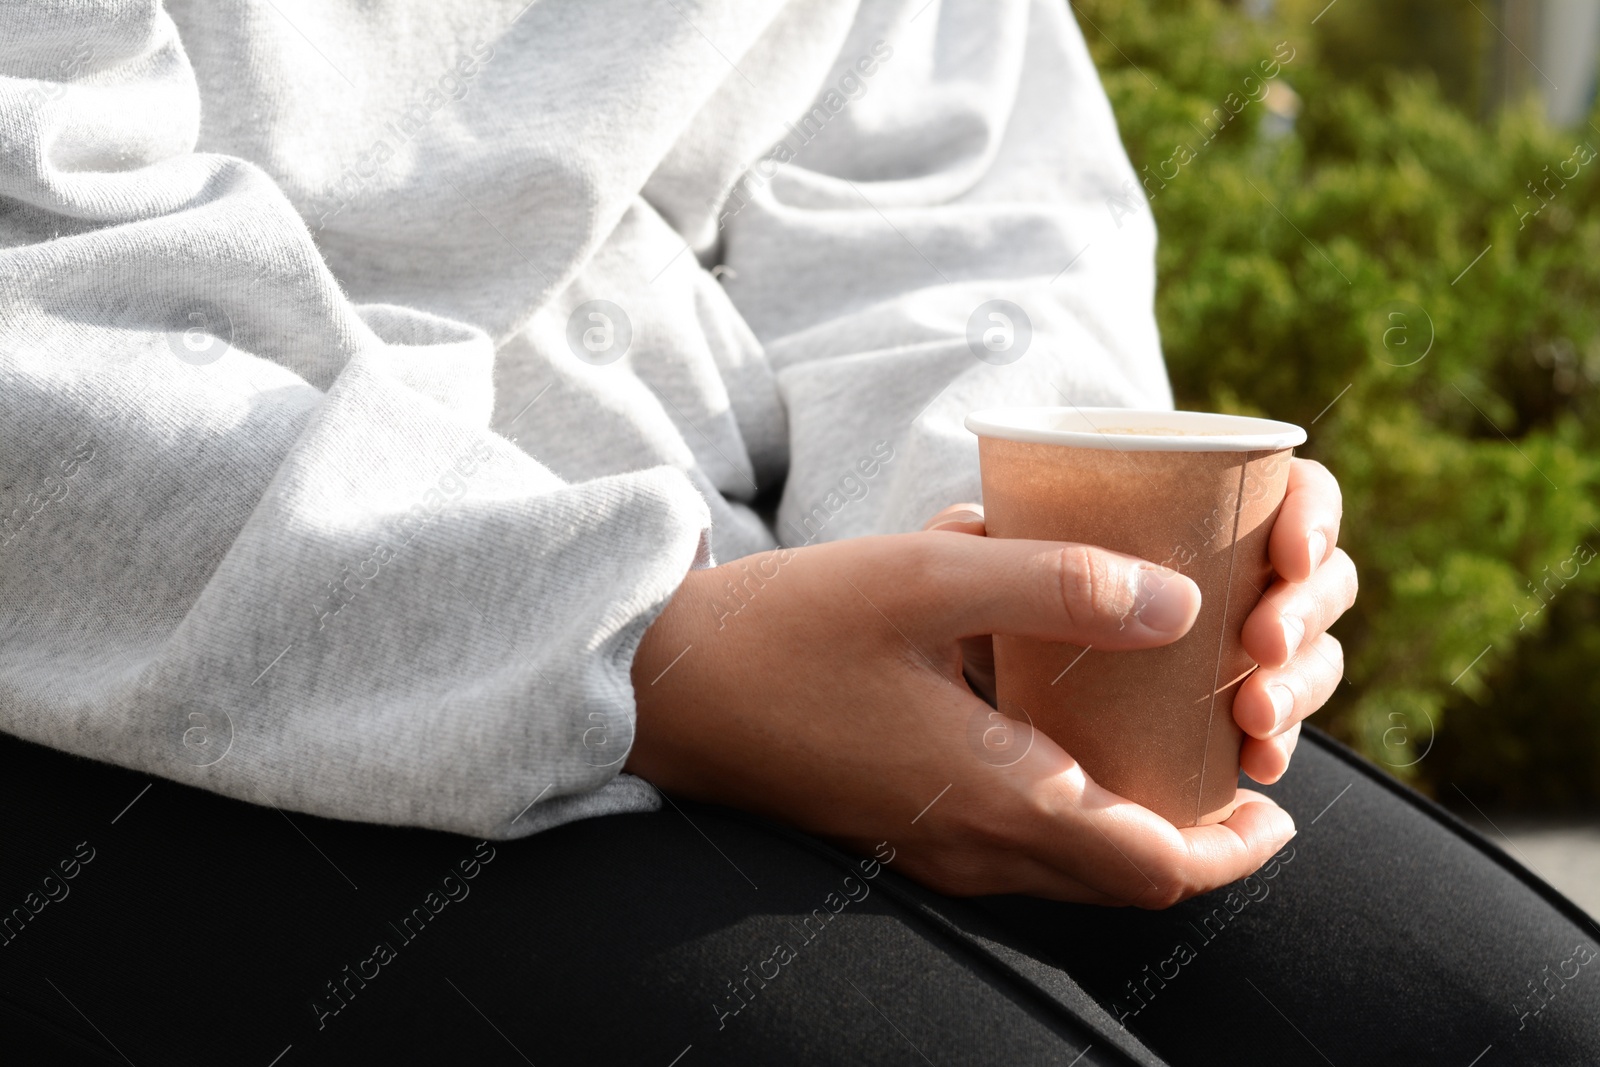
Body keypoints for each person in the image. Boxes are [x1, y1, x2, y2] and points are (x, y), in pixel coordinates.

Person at [0, 1, 1594, 1064]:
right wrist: (652, 652)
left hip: (755, 580)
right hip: (152, 657)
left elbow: (951, 190)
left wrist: (997, 560)